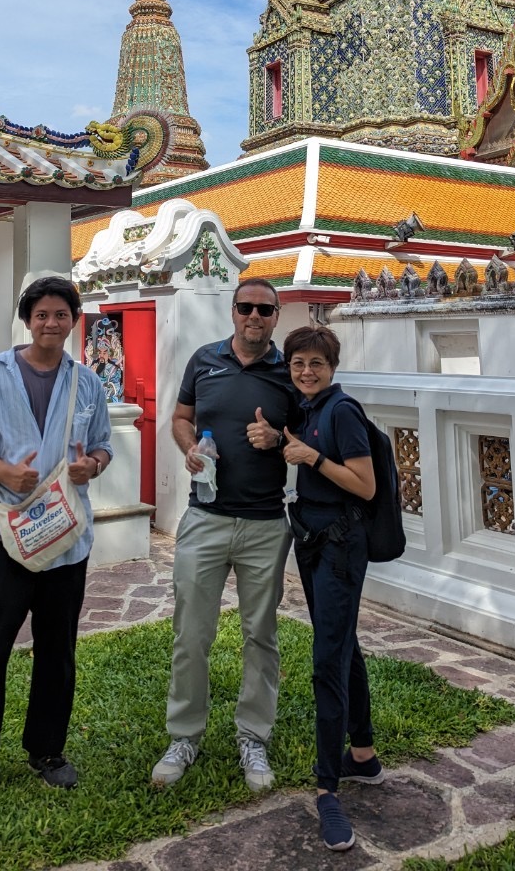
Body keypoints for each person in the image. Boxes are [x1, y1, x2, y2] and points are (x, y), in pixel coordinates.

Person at [0, 275, 112, 804]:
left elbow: (104, 444)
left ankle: (47, 750)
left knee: (57, 652)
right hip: (2, 535)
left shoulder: (86, 382)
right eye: (42, 315)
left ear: (72, 321)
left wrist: (94, 464)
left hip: (65, 537)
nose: (51, 323)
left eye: (61, 315)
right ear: (27, 320)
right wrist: (3, 472)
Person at [152, 278, 296, 792]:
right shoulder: (204, 361)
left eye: (265, 309)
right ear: (232, 312)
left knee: (261, 634)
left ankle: (253, 735)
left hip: (264, 524)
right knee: (192, 634)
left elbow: (307, 435)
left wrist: (277, 438)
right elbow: (181, 418)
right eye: (245, 307)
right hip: (206, 517)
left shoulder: (289, 372)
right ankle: (184, 735)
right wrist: (189, 449)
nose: (254, 316)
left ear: (276, 316)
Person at [281, 325, 383, 852]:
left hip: (342, 541)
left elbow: (364, 485)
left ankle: (327, 788)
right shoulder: (305, 410)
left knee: (327, 659)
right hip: (314, 538)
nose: (306, 372)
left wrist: (312, 459)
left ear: (332, 366)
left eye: (315, 364)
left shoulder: (341, 411)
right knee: (342, 643)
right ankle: (362, 755)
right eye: (298, 363)